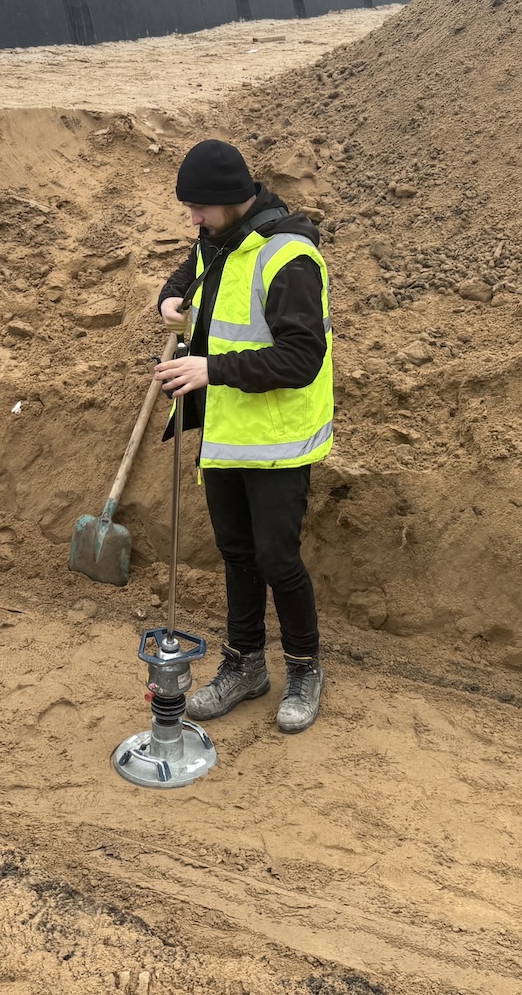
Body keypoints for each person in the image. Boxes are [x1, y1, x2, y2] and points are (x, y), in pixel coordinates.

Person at [154, 139, 335, 734]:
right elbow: (191, 271)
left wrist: (212, 369)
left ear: (233, 200)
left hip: (279, 442)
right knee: (236, 556)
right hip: (227, 435)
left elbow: (301, 357)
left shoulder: (289, 257)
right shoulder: (218, 238)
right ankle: (245, 664)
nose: (193, 219)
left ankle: (304, 668)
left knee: (277, 559)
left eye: (199, 207)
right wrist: (169, 299)